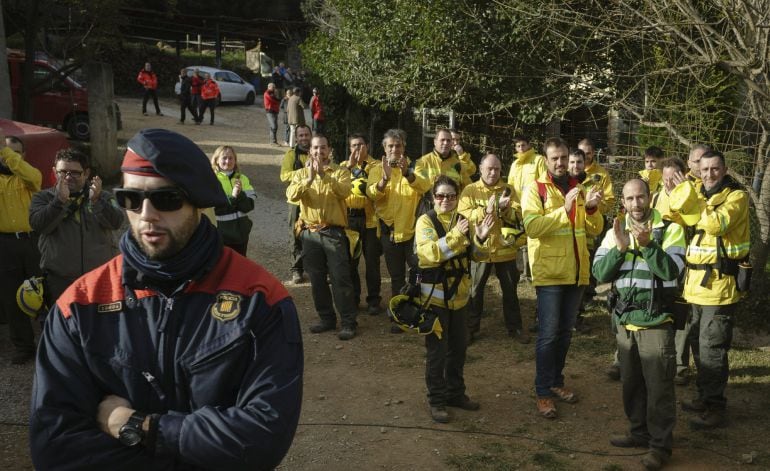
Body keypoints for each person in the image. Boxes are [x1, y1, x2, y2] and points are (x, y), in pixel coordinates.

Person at [29, 128, 303, 469]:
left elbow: (262, 438)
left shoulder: (259, 299)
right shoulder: (79, 305)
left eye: (166, 199)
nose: (146, 214)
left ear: (197, 201)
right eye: (130, 198)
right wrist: (199, 448)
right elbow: (55, 448)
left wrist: (141, 427)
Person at [593, 178, 686, 471]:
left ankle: (660, 446)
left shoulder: (671, 230)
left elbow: (672, 271)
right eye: (630, 199)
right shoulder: (615, 231)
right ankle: (638, 432)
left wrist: (647, 246)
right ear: (623, 202)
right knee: (631, 383)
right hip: (625, 319)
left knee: (659, 387)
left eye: (641, 197)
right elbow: (599, 273)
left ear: (650, 198)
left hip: (656, 319)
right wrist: (619, 249)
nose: (636, 204)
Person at [522, 137, 603, 419]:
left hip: (577, 272)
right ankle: (543, 392)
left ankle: (556, 382)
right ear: (546, 160)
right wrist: (563, 211)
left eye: (563, 157)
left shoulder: (578, 188)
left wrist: (591, 208)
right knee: (547, 335)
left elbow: (592, 229)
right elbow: (532, 227)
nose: (560, 162)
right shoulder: (535, 189)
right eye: (554, 158)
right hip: (551, 274)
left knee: (566, 333)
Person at [669, 150, 750, 430]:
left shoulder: (736, 197)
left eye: (715, 169)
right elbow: (674, 214)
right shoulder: (698, 194)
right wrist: (681, 193)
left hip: (720, 287)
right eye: (704, 170)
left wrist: (691, 200)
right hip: (695, 288)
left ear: (725, 169)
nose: (709, 174)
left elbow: (716, 224)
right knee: (697, 345)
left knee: (712, 347)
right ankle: (705, 397)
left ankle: (716, 408)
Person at [416, 175, 493, 423]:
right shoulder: (425, 222)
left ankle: (455, 393)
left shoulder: (464, 222)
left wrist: (480, 236)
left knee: (459, 349)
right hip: (435, 299)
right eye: (440, 196)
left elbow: (478, 256)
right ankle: (437, 401)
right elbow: (430, 254)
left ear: (457, 198)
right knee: (437, 353)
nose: (446, 200)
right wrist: (458, 236)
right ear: (432, 198)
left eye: (451, 196)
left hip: (459, 298)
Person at [287, 133, 358, 340]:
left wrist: (323, 176)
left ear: (330, 150)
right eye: (315, 148)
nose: (319, 152)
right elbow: (291, 196)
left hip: (333, 233)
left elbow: (345, 192)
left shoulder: (340, 172)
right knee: (317, 279)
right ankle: (327, 319)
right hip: (310, 234)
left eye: (323, 148)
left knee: (340, 278)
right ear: (310, 151)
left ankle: (348, 322)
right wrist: (309, 179)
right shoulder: (300, 174)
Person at [29, 147, 124, 303]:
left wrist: (96, 201)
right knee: (64, 324)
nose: (68, 177)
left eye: (75, 172)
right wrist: (58, 202)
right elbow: (39, 226)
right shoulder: (43, 198)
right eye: (62, 172)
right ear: (54, 171)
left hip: (99, 277)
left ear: (86, 173)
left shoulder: (102, 196)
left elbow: (117, 222)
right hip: (60, 280)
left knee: (101, 324)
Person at [458, 153, 528, 344]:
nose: (493, 172)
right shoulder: (470, 190)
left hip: (505, 251)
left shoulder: (508, 190)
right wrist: (487, 210)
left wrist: (504, 209)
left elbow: (519, 216)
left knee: (511, 292)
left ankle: (515, 328)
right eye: (489, 168)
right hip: (480, 251)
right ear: (480, 169)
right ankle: (471, 330)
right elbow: (463, 214)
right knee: (474, 292)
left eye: (496, 169)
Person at [367, 129, 431, 332]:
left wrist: (407, 174)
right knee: (396, 277)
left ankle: (419, 311)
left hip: (413, 234)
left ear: (404, 147)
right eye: (390, 146)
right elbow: (371, 195)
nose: (395, 149)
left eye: (398, 145)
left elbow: (424, 186)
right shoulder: (377, 169)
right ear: (384, 148)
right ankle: (400, 315)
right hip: (390, 233)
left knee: (419, 274)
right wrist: (384, 180)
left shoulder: (416, 166)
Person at [0, 133, 42, 364]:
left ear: (23, 156)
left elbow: (31, 176)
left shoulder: (29, 176)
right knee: (10, 296)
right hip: (5, 244)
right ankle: (24, 346)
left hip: (32, 240)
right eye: (6, 152)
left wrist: (6, 154)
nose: (10, 158)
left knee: (43, 291)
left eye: (16, 154)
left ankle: (54, 341)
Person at [343, 134, 383, 315]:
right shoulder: (344, 167)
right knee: (351, 262)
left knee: (372, 263)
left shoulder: (377, 166)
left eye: (360, 144)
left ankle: (374, 300)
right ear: (349, 148)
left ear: (367, 145)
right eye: (353, 145)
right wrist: (349, 167)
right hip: (350, 220)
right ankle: (354, 298)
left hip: (370, 221)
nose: (357, 148)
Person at [577, 138, 615, 310]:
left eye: (588, 153)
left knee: (591, 258)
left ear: (593, 153)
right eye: (581, 152)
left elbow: (610, 201)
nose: (585, 156)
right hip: (576, 221)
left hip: (595, 221)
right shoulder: (573, 170)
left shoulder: (601, 174)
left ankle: (589, 295)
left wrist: (596, 205)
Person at [506, 134, 546, 282]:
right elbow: (509, 185)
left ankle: (532, 271)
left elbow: (544, 182)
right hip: (517, 207)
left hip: (533, 207)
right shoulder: (515, 164)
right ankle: (522, 272)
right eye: (518, 146)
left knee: (533, 238)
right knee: (519, 239)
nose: (521, 148)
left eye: (523, 145)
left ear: (529, 145)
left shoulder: (538, 160)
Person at [280, 125, 312, 283]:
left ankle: (315, 268)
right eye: (301, 135)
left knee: (316, 233)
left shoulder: (319, 152)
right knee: (295, 233)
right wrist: (304, 172)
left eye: (306, 135)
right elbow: (284, 176)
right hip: (295, 201)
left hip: (315, 200)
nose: (304, 138)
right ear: (297, 138)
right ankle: (296, 269)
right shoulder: (290, 155)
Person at [211, 146, 256, 256]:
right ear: (216, 160)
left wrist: (239, 195)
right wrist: (234, 196)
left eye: (231, 158)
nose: (228, 161)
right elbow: (217, 209)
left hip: (241, 234)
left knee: (239, 266)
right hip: (221, 234)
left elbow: (248, 206)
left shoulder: (243, 178)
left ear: (235, 160)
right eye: (224, 158)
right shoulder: (211, 180)